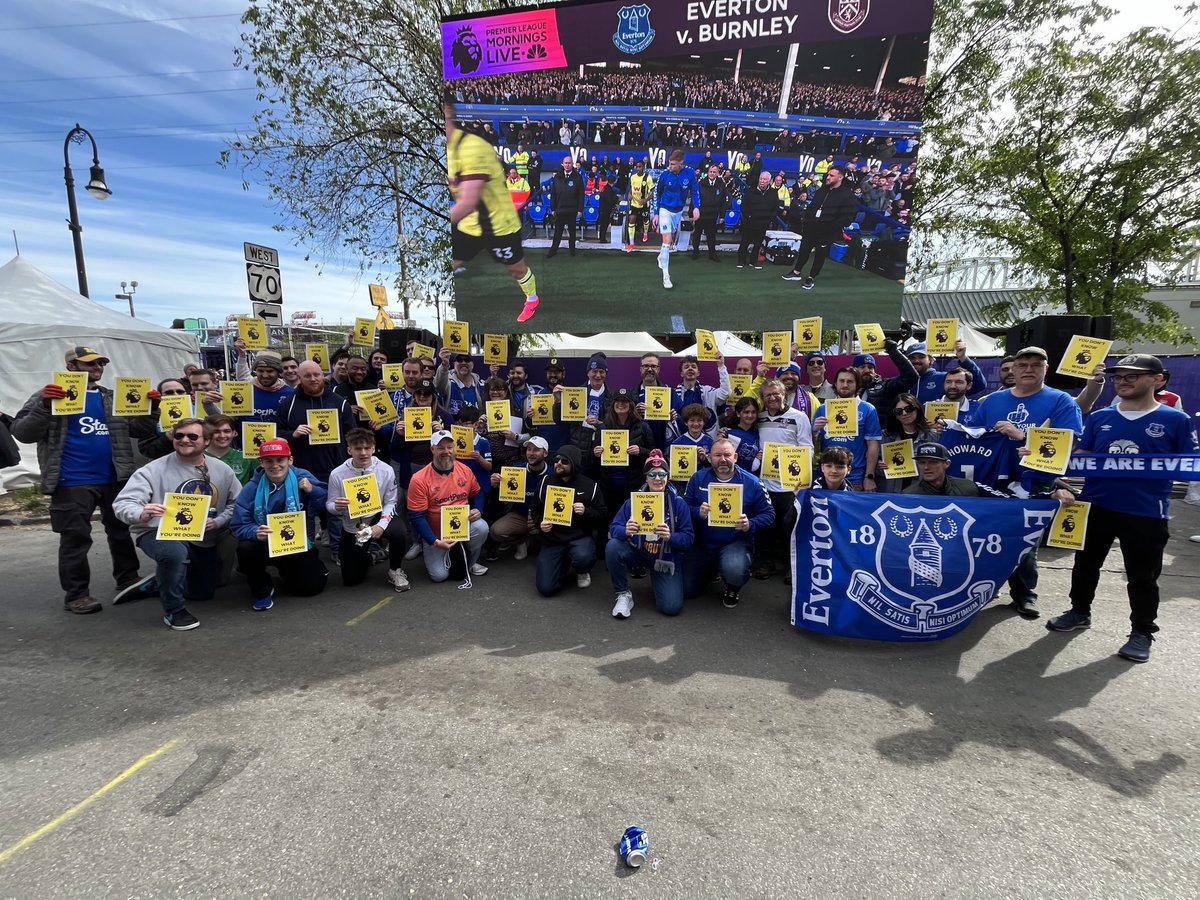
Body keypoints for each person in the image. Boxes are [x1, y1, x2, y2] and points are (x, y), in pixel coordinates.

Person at [1046, 354, 1199, 663]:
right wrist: (1043, 456)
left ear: (1157, 379)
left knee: (1142, 576)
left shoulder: (1175, 420)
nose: (1123, 380)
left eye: (1133, 375)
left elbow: (1189, 466)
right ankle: (1079, 611)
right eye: (1119, 376)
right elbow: (1081, 455)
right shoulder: (1101, 417)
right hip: (1097, 505)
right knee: (1085, 565)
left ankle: (1142, 631)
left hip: (1146, 511)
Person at [11, 346, 142, 614]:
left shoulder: (111, 398)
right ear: (71, 366)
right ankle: (76, 594)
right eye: (90, 364)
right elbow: (22, 433)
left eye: (100, 364)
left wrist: (152, 408)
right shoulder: (47, 395)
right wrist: (44, 406)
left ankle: (128, 578)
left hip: (114, 477)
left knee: (119, 532)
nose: (97, 368)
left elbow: (140, 429)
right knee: (75, 538)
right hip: (72, 479)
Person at [971, 346, 1084, 619]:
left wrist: (1023, 437)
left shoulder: (1061, 401)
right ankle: (984, 588)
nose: (1028, 369)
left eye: (1036, 364)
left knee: (1025, 543)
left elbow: (1069, 443)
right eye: (1022, 365)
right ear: (1013, 369)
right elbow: (973, 435)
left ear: (1046, 368)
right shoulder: (991, 401)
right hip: (993, 480)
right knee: (986, 539)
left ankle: (1024, 595)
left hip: (1035, 482)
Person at [111, 418, 242, 631]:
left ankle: (158, 583)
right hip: (157, 531)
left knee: (203, 593)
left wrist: (218, 521)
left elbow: (237, 502)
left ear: (207, 441)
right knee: (173, 554)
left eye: (192, 436)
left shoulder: (222, 469)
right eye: (179, 435)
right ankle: (174, 610)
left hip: (201, 536)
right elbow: (123, 503)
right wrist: (141, 513)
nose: (184, 440)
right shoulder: (152, 470)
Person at [446, 98, 540, 323]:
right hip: (470, 225)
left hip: (499, 225)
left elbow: (469, 201)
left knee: (517, 270)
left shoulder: (472, 147)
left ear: (448, 111)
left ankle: (532, 299)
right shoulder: (448, 151)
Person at [230, 439, 329, 611]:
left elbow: (326, 506)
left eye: (280, 460)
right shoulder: (252, 487)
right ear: (261, 462)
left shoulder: (302, 476)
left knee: (311, 588)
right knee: (246, 548)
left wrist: (313, 490)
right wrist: (255, 532)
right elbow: (238, 524)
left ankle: (291, 569)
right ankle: (262, 588)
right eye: (269, 461)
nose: (275, 465)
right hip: (265, 543)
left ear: (290, 460)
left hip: (295, 541)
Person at [683, 438, 774, 607]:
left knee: (734, 570)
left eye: (727, 455)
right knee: (687, 590)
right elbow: (683, 507)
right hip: (702, 542)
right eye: (718, 455)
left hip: (735, 541)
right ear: (710, 458)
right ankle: (711, 569)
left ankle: (732, 586)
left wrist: (750, 523)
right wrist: (697, 512)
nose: (723, 459)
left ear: (736, 457)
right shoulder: (697, 478)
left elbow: (769, 514)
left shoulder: (753, 482)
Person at [606, 450, 695, 619]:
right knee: (613, 546)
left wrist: (671, 537)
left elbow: (688, 539)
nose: (657, 478)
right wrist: (625, 530)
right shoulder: (633, 501)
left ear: (668, 477)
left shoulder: (679, 503)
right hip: (638, 552)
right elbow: (613, 528)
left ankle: (659, 580)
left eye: (662, 474)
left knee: (671, 607)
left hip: (665, 559)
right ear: (646, 478)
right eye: (652, 474)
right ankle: (623, 594)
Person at [326, 428, 411, 591]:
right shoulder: (337, 474)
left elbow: (391, 502)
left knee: (399, 531)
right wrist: (336, 507)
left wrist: (381, 525)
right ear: (349, 450)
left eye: (367, 448)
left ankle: (395, 570)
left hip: (377, 517)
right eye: (358, 448)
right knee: (350, 579)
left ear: (373, 448)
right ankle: (371, 556)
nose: (363, 453)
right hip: (354, 525)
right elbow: (329, 505)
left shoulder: (386, 470)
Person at [407, 431, 489, 583]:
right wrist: (434, 541)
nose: (446, 451)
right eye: (441, 448)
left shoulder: (464, 469)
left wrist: (479, 509)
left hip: (462, 527)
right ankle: (432, 548)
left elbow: (477, 492)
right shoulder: (419, 479)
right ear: (432, 449)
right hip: (436, 533)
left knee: (482, 527)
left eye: (449, 447)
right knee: (439, 576)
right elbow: (416, 516)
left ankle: (468, 563)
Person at [753, 379, 814, 582]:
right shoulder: (759, 418)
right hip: (765, 482)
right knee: (767, 527)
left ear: (784, 394)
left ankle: (792, 567)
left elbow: (808, 448)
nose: (772, 397)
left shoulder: (799, 417)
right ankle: (765, 563)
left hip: (790, 484)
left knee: (791, 527)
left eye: (775, 393)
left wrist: (801, 478)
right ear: (762, 398)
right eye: (767, 395)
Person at [531, 445, 607, 596]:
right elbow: (535, 510)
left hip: (579, 537)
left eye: (564, 461)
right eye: (556, 460)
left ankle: (582, 570)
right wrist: (540, 523)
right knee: (546, 589)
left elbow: (603, 516)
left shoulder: (590, 486)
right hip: (552, 539)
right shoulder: (545, 481)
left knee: (583, 557)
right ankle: (562, 563)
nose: (558, 463)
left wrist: (586, 512)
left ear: (575, 464)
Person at [781, 165, 857, 290]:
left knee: (819, 256)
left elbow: (847, 217)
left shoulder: (847, 195)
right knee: (804, 251)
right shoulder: (822, 190)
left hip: (827, 232)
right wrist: (806, 221)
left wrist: (831, 227)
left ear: (840, 177)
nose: (828, 177)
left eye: (832, 175)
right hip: (811, 228)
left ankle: (811, 277)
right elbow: (812, 207)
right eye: (828, 174)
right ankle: (796, 272)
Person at [812, 368, 883, 492]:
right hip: (826, 476)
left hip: (855, 477)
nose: (845, 385)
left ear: (857, 385)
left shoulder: (868, 409)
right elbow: (811, 444)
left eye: (850, 381)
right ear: (835, 383)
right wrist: (814, 431)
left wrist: (869, 476)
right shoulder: (823, 409)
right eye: (842, 381)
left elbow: (873, 445)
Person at [591, 388, 655, 520]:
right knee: (608, 521)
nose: (621, 404)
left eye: (625, 401)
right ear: (613, 404)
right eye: (618, 401)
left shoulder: (643, 427)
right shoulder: (602, 428)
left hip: (633, 484)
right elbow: (591, 458)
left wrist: (641, 451)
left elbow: (654, 455)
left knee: (631, 520)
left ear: (631, 405)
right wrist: (596, 453)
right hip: (608, 485)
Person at [488, 435, 552, 560]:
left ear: (545, 453)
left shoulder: (553, 474)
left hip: (544, 517)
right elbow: (505, 497)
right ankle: (520, 541)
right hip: (520, 515)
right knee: (496, 531)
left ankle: (547, 546)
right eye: (529, 449)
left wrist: (539, 518)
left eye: (536, 450)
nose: (531, 453)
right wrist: (495, 484)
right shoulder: (515, 471)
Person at [652, 148, 701, 289]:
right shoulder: (664, 174)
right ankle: (666, 276)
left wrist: (696, 207)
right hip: (665, 209)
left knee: (669, 241)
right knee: (667, 241)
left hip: (678, 211)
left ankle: (662, 256)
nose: (670, 166)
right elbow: (657, 193)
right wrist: (656, 213)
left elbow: (695, 191)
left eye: (673, 164)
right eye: (669, 163)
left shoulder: (690, 173)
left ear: (681, 163)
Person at [878, 393, 938, 492]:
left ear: (917, 409)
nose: (904, 413)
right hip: (891, 491)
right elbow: (874, 464)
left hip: (922, 492)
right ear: (895, 415)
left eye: (909, 409)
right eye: (898, 411)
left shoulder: (932, 435)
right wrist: (880, 465)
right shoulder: (886, 436)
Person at [902, 442, 1009, 497]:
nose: (926, 467)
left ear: (947, 464)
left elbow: (1003, 504)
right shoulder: (909, 495)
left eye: (933, 462)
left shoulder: (968, 488)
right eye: (922, 462)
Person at [855, 341, 919, 421]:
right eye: (862, 367)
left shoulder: (886, 386)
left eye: (870, 367)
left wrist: (894, 352)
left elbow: (911, 377)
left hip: (882, 432)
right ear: (855, 370)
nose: (867, 370)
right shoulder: (851, 390)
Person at [907, 341, 986, 404]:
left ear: (931, 359)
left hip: (936, 423)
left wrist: (963, 358)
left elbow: (979, 384)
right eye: (912, 358)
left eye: (921, 357)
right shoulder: (900, 381)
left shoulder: (944, 378)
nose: (916, 361)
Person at [737, 171, 778, 270]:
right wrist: (748, 216)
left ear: (769, 181)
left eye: (765, 179)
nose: (762, 181)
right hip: (749, 222)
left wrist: (770, 219)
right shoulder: (751, 190)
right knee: (745, 242)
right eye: (761, 179)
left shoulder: (773, 193)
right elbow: (744, 206)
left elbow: (775, 208)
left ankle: (753, 261)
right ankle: (741, 260)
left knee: (758, 244)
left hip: (763, 223)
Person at [547, 154, 584, 259]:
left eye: (569, 163)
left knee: (572, 232)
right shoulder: (557, 176)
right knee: (557, 232)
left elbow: (581, 194)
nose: (567, 165)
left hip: (572, 210)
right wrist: (553, 208)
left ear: (572, 164)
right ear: (562, 164)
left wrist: (580, 209)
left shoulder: (578, 177)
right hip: (560, 210)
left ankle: (572, 250)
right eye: (566, 163)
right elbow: (553, 194)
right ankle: (553, 250)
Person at [692, 163, 728, 261]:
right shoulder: (700, 183)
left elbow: (723, 201)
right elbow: (695, 198)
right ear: (707, 173)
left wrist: (722, 216)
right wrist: (693, 213)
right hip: (701, 214)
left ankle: (712, 254)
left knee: (711, 236)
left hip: (713, 215)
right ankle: (695, 252)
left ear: (717, 173)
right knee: (697, 234)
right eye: (710, 172)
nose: (712, 173)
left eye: (714, 172)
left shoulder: (721, 184)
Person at [204, 415, 254, 485]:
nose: (222, 435)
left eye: (227, 431)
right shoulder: (197, 457)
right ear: (207, 434)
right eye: (216, 432)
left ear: (234, 433)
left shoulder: (246, 459)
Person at [624, 159, 653, 251]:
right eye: (637, 167)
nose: (638, 168)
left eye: (640, 167)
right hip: (634, 204)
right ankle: (632, 243)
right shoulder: (633, 177)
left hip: (644, 204)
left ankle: (645, 233)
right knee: (631, 220)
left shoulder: (648, 178)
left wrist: (646, 199)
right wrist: (629, 194)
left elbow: (652, 192)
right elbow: (631, 188)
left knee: (645, 221)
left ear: (643, 167)